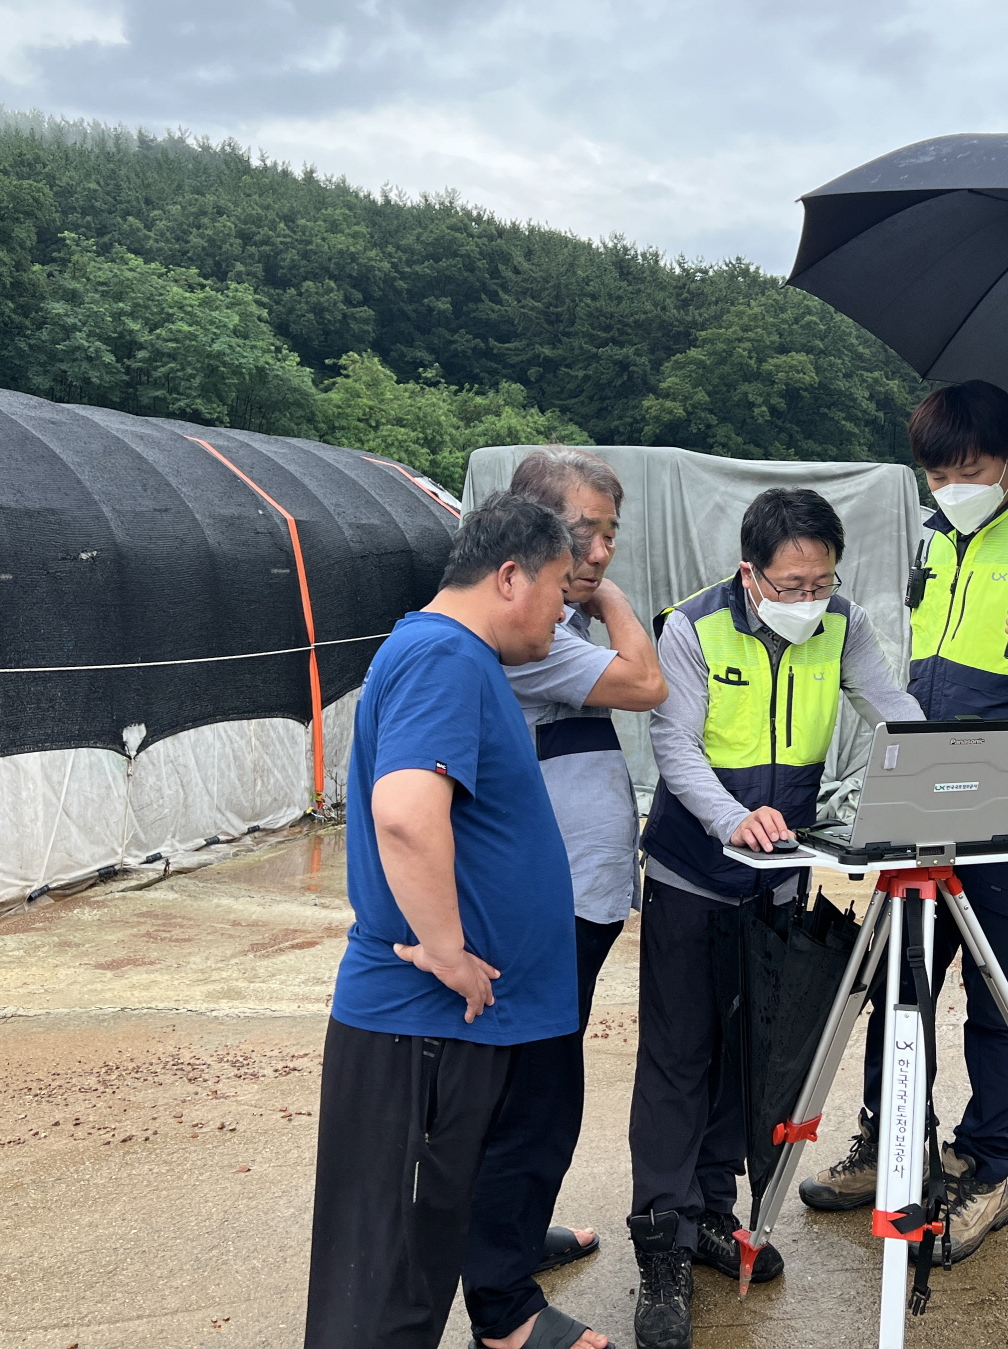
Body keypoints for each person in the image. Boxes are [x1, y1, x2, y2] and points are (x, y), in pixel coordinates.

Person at [799, 380, 1008, 1263]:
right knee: (897, 980)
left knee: (996, 995)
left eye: (967, 470)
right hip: (927, 791)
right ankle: (888, 1140)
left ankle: (984, 1165)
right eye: (936, 473)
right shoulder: (935, 540)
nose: (950, 486)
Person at [304, 492, 609, 1349]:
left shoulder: (447, 654)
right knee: (389, 1279)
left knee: (411, 1258)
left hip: (440, 1028)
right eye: (559, 587)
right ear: (509, 575)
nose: (563, 609)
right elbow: (405, 812)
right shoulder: (445, 656)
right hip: (424, 1025)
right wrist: (447, 951)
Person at [627, 488, 922, 1349]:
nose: (808, 601)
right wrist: (730, 817)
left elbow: (889, 707)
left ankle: (715, 1212)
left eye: (821, 581)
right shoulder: (691, 627)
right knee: (678, 1057)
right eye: (790, 585)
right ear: (749, 573)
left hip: (779, 882)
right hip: (695, 872)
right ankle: (663, 1244)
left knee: (748, 1054)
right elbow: (673, 744)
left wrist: (943, 767)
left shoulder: (843, 623)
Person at [462, 449, 665, 1347]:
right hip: (544, 906)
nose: (598, 552)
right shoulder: (529, 643)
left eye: (611, 534)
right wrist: (609, 600)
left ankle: (510, 1237)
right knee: (535, 1095)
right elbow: (646, 681)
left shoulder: (554, 634)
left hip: (579, 900)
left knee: (547, 1081)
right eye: (581, 533)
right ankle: (502, 1307)